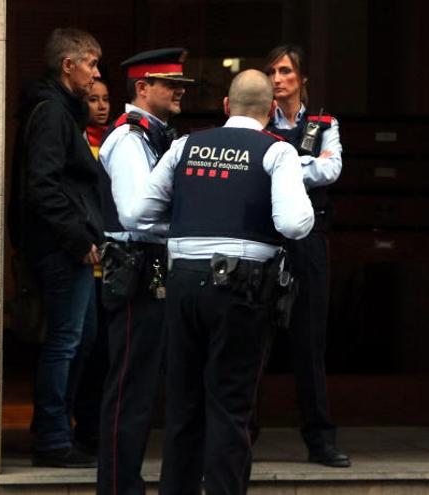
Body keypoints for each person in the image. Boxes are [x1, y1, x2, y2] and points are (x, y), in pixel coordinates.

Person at [138, 70, 314, 495]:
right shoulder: (277, 151)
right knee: (230, 409)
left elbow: (137, 213)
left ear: (225, 107)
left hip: (182, 282)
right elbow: (294, 223)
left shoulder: (184, 146)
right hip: (242, 290)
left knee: (183, 407)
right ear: (272, 111)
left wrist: (187, 232)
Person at [95, 48, 194, 495]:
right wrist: (189, 223)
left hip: (154, 266)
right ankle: (118, 487)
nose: (178, 91)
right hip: (138, 267)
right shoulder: (129, 139)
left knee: (145, 387)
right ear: (142, 88)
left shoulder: (154, 136)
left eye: (180, 84)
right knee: (131, 390)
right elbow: (136, 215)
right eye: (169, 83)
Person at [8, 27, 104, 468]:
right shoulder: (52, 113)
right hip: (61, 249)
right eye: (91, 64)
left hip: (65, 245)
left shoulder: (61, 111)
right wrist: (78, 237)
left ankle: (54, 428)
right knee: (66, 341)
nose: (95, 73)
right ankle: (51, 438)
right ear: (69, 66)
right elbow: (42, 186)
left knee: (79, 339)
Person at [261, 44, 350, 468]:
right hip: (266, 241)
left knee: (309, 343)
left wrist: (283, 167)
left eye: (285, 71)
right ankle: (244, 433)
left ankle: (320, 440)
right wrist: (303, 164)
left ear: (302, 78)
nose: (277, 79)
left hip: (310, 242)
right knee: (255, 340)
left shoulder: (324, 122)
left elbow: (331, 171)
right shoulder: (258, 121)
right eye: (272, 72)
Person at [70, 73, 112, 456]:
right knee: (80, 347)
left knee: (100, 351)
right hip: (85, 260)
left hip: (108, 264)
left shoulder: (116, 140)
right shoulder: (77, 140)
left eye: (105, 98)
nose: (101, 105)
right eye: (93, 99)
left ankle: (90, 426)